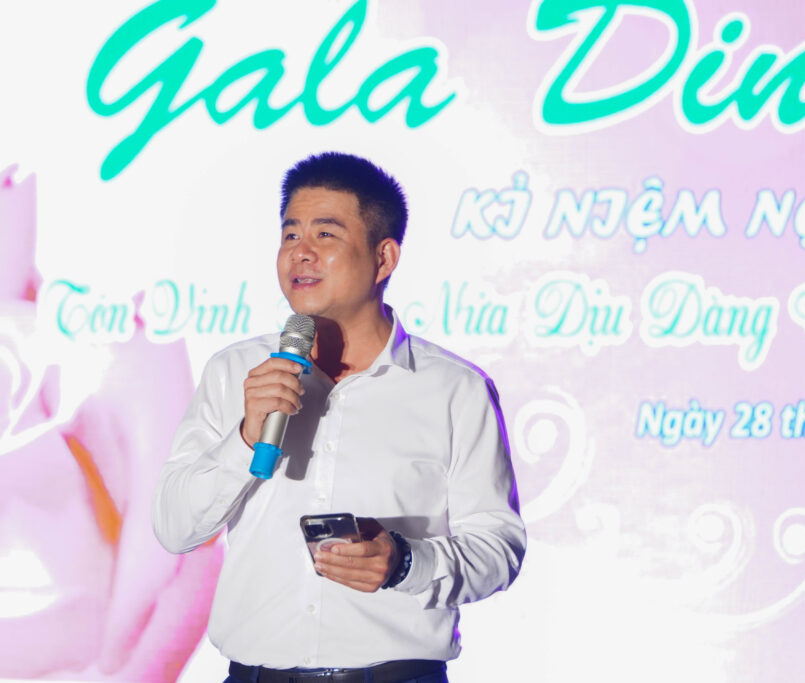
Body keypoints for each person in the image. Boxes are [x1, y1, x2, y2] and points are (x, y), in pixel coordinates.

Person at [153, 152, 526, 683]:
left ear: (384, 258)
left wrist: (405, 563)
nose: (300, 253)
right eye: (290, 235)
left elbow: (498, 548)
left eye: (325, 234)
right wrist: (246, 437)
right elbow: (174, 528)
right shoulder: (235, 372)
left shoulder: (454, 390)